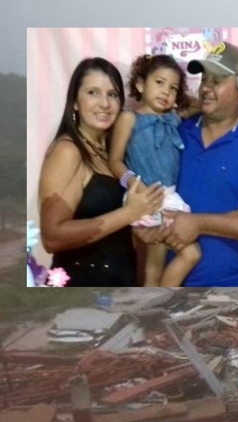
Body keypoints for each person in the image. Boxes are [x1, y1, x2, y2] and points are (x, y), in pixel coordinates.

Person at [140, 41, 238, 286]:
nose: (206, 88)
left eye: (217, 81)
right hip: (165, 293)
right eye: (205, 79)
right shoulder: (177, 129)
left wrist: (198, 224)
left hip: (231, 293)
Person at [39, 57, 164, 287]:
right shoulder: (68, 151)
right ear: (75, 102)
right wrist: (128, 213)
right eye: (93, 93)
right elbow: (51, 237)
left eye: (113, 94)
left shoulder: (113, 154)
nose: (104, 103)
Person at [109, 54, 200, 287]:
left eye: (173, 88)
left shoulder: (174, 117)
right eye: (159, 83)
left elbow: (201, 104)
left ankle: (157, 304)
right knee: (160, 261)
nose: (165, 91)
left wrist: (179, 98)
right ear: (140, 84)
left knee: (165, 259)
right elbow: (115, 160)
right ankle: (158, 305)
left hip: (169, 197)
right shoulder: (130, 118)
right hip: (145, 196)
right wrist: (133, 185)